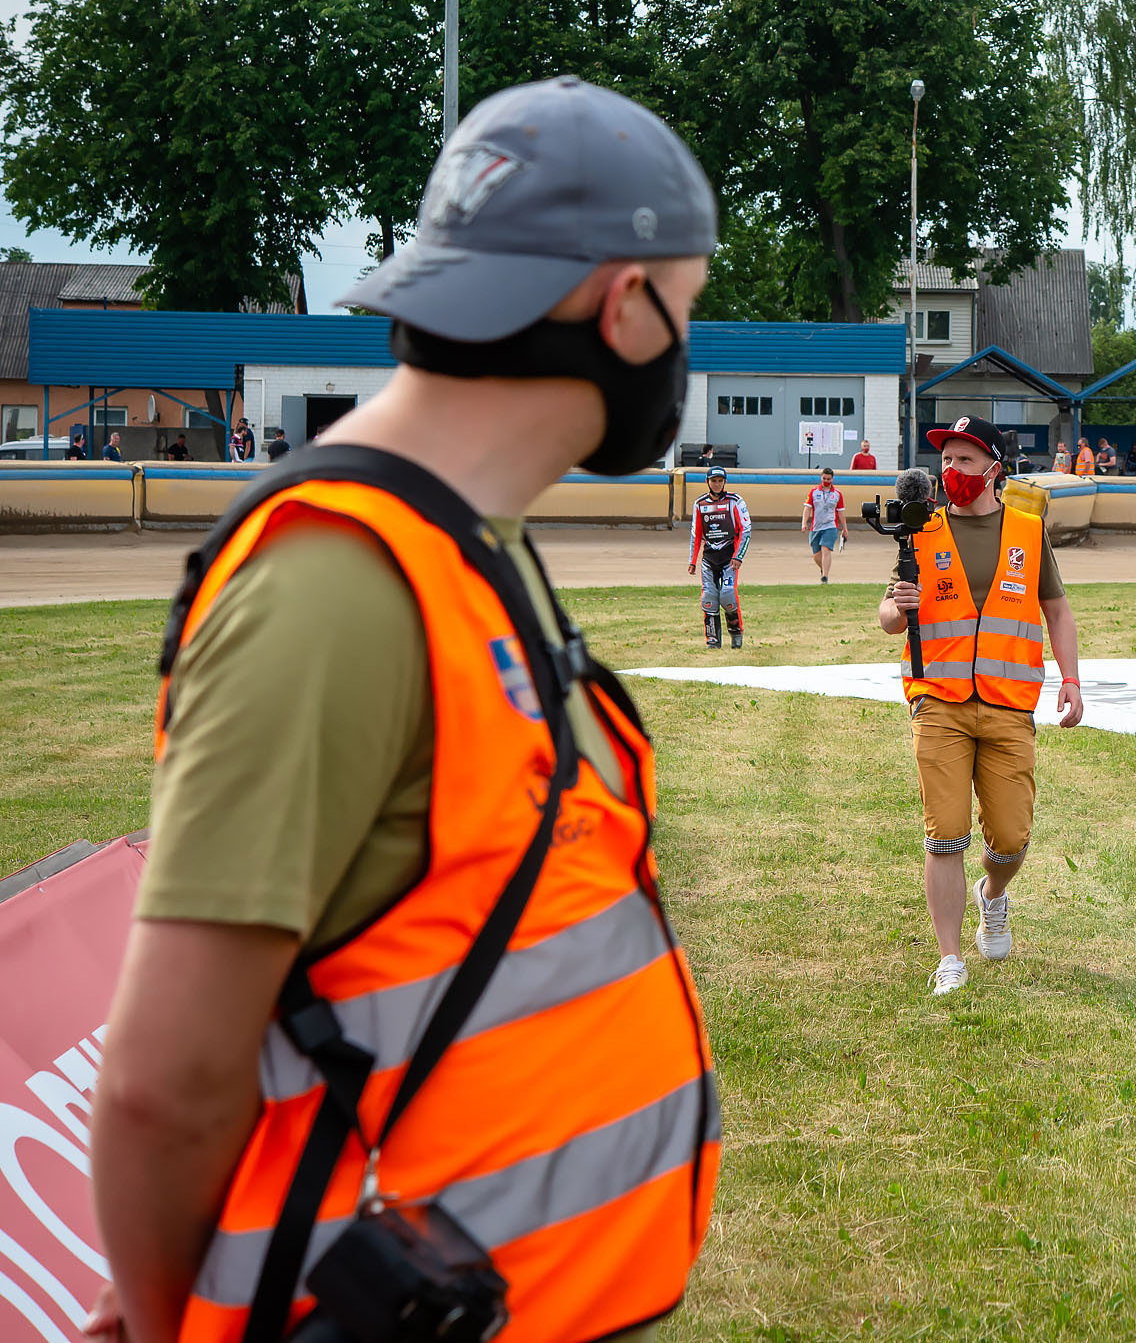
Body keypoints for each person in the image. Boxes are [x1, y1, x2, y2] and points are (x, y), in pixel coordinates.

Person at [88, 76, 722, 1343]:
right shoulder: (334, 586)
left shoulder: (466, 549)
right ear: (623, 303)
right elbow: (168, 1080)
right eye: (688, 306)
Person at [878, 415, 1084, 994]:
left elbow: (1058, 610)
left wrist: (1070, 678)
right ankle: (949, 959)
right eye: (946, 460)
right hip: (937, 701)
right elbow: (889, 619)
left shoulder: (1026, 528)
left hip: (1008, 704)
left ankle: (993, 894)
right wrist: (901, 606)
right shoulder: (921, 529)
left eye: (965, 460)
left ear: (994, 468)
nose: (952, 470)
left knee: (1012, 839)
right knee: (944, 833)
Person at [689, 465, 751, 647]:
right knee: (709, 598)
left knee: (727, 595)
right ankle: (713, 641)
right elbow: (696, 533)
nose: (716, 484)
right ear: (707, 482)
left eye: (720, 481)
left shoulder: (735, 501)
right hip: (708, 559)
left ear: (724, 482)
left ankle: (736, 634)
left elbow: (745, 530)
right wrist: (692, 561)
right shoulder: (699, 504)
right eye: (713, 481)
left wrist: (738, 556)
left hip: (729, 559)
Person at [805, 465, 845, 583]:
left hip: (831, 526)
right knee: (816, 555)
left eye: (828, 479)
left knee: (825, 549)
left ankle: (825, 577)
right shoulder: (813, 492)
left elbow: (841, 513)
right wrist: (804, 523)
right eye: (824, 479)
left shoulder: (837, 494)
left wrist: (845, 529)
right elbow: (807, 508)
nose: (826, 481)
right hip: (816, 527)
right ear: (821, 478)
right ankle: (824, 569)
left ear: (832, 479)